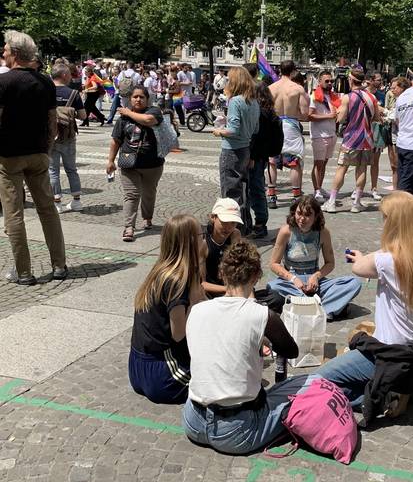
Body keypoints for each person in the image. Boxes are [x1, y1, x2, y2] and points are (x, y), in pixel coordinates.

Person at [182, 239, 316, 455]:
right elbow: (291, 351)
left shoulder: (197, 310)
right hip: (236, 430)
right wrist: (264, 336)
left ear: (222, 274)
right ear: (255, 277)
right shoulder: (262, 315)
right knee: (306, 387)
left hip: (193, 420)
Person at [318, 191, 413, 405]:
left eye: (386, 219)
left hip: (391, 355)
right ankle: (398, 388)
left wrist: (381, 248)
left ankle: (388, 394)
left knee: (319, 381)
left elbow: (359, 267)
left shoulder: (389, 260)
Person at [0, 30, 67, 285]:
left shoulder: (4, 83)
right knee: (48, 210)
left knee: (14, 215)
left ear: (15, 54)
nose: (3, 52)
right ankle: (59, 265)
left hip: (9, 157)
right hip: (38, 154)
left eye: (5, 48)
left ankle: (23, 272)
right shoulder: (45, 82)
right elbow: (52, 122)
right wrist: (47, 149)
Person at [129, 214, 205, 404]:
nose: (204, 239)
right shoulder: (176, 282)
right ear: (190, 242)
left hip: (138, 365)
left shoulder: (162, 269)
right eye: (201, 235)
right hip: (162, 374)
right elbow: (178, 334)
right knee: (222, 382)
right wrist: (195, 302)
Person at [267, 196, 362, 321]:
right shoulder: (286, 231)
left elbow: (330, 263)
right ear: (294, 213)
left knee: (354, 283)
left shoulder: (323, 232)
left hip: (315, 279)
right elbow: (274, 264)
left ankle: (318, 308)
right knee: (273, 287)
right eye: (299, 213)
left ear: (316, 216)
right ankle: (319, 305)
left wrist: (316, 276)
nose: (302, 219)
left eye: (307, 215)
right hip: (292, 281)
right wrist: (293, 279)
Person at [107, 86, 165, 242]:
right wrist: (110, 160)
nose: (138, 100)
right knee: (131, 195)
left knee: (149, 193)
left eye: (141, 97)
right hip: (128, 163)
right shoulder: (122, 120)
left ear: (147, 99)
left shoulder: (154, 111)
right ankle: (129, 227)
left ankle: (147, 218)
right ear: (130, 99)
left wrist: (128, 112)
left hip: (153, 164)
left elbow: (148, 121)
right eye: (135, 97)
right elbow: (116, 140)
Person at [321, 67, 378, 214]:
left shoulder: (347, 97)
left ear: (351, 80)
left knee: (342, 168)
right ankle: (356, 203)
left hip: (351, 138)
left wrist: (336, 112)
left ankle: (332, 202)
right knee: (362, 169)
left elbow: (340, 119)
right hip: (367, 139)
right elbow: (377, 117)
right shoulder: (372, 97)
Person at [213, 66, 259, 206]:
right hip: (245, 149)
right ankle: (244, 223)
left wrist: (219, 131)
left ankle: (233, 225)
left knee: (230, 192)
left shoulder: (235, 101)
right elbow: (256, 129)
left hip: (232, 150)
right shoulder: (253, 101)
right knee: (242, 189)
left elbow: (233, 130)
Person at [268, 60, 309, 207]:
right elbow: (305, 115)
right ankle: (296, 195)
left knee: (272, 161)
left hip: (274, 125)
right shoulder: (298, 89)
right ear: (293, 71)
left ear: (280, 70)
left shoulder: (271, 88)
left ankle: (272, 196)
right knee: (294, 162)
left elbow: (265, 110)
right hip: (291, 125)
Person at [49, 63, 86, 213]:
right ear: (64, 75)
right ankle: (76, 202)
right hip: (68, 136)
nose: (71, 77)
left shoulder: (46, 92)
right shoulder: (73, 93)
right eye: (70, 74)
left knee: (53, 171)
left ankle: (57, 202)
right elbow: (83, 116)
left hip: (50, 137)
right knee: (71, 169)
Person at [248, 83, 281, 238]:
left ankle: (259, 223)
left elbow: (257, 138)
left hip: (255, 156)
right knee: (257, 188)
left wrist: (252, 157)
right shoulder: (272, 113)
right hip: (262, 156)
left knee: (254, 189)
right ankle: (260, 222)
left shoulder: (260, 113)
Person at [308, 70, 339, 202]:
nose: (330, 83)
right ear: (320, 82)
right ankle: (316, 190)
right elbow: (309, 116)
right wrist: (328, 116)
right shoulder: (314, 96)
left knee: (324, 164)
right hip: (319, 135)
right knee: (318, 164)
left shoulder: (332, 96)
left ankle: (320, 187)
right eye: (326, 81)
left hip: (331, 134)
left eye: (331, 81)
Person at [384, 77, 409, 191]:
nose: (392, 90)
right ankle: (395, 189)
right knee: (394, 166)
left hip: (401, 137)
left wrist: (384, 112)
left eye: (394, 88)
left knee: (399, 165)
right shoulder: (397, 99)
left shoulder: (405, 100)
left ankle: (399, 190)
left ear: (402, 87)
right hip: (393, 134)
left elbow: (396, 117)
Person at [366, 72, 386, 200]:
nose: (380, 82)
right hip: (365, 128)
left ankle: (374, 188)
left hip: (377, 130)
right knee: (360, 162)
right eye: (378, 80)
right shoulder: (364, 94)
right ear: (371, 80)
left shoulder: (381, 95)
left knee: (375, 161)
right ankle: (358, 188)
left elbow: (382, 110)